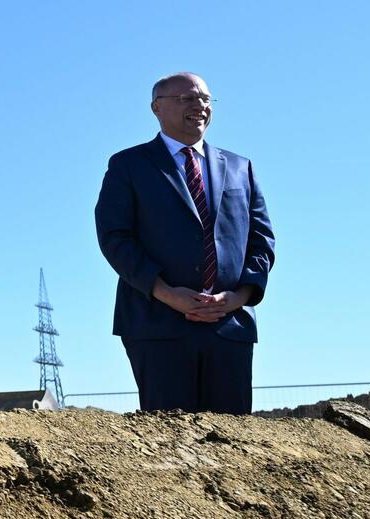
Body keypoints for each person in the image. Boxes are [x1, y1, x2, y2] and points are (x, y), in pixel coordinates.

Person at [94, 71, 274, 413]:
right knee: (170, 445)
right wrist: (166, 293)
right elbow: (115, 237)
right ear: (156, 108)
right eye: (187, 99)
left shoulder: (240, 167)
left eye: (206, 99)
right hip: (157, 325)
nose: (200, 106)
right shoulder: (129, 165)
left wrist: (238, 297)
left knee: (231, 442)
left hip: (229, 326)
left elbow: (262, 240)